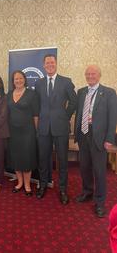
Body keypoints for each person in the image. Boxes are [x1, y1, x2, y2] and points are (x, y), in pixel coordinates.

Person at [75, 65, 117, 217]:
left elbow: (113, 118)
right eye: (88, 74)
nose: (90, 76)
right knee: (84, 167)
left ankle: (100, 202)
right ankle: (87, 192)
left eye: (93, 74)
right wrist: (77, 134)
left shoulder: (109, 93)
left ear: (99, 75)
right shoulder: (81, 92)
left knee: (99, 171)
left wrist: (109, 139)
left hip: (99, 137)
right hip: (83, 134)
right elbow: (79, 113)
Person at [35, 54, 77, 204]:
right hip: (44, 128)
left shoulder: (66, 81)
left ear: (56, 64)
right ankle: (43, 185)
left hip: (61, 127)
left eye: (52, 62)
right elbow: (36, 104)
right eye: (47, 63)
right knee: (43, 159)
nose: (50, 65)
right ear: (44, 65)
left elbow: (74, 101)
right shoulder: (39, 83)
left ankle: (63, 189)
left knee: (63, 160)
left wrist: (65, 116)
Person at [7, 71, 39, 196]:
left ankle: (27, 185)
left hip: (28, 132)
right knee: (16, 158)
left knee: (27, 158)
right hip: (13, 132)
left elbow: (36, 114)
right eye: (16, 79)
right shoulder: (9, 94)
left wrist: (36, 131)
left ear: (24, 80)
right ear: (13, 81)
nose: (18, 81)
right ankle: (19, 182)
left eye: (20, 78)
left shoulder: (32, 94)